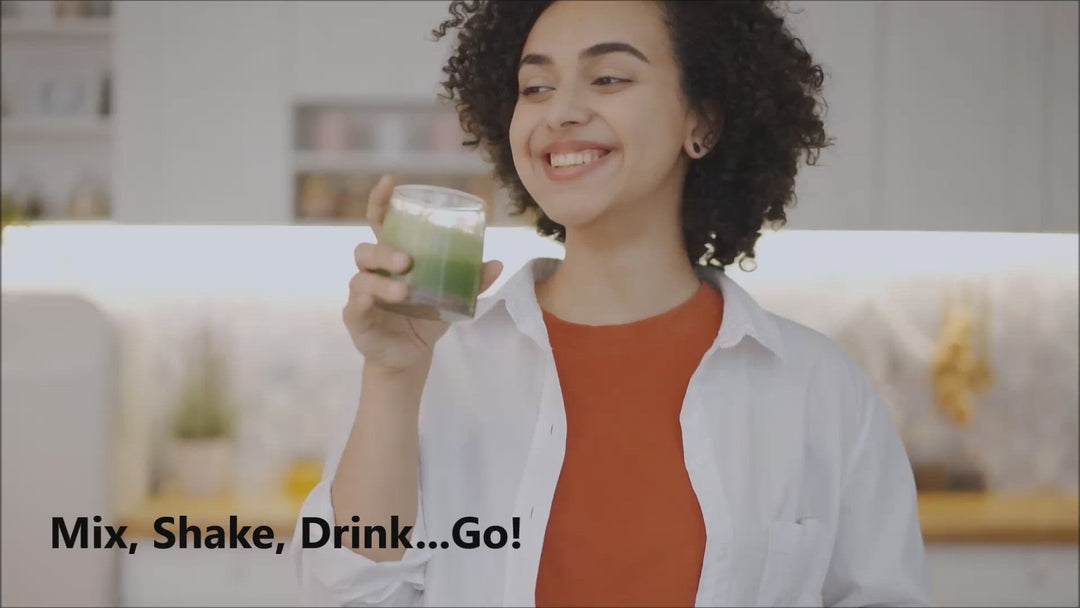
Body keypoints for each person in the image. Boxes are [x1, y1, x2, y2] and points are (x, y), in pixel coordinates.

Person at [291, 1, 932, 606]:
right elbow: (350, 597)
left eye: (607, 78)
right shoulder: (435, 362)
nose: (560, 111)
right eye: (535, 87)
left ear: (701, 123)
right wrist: (393, 377)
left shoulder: (819, 388)